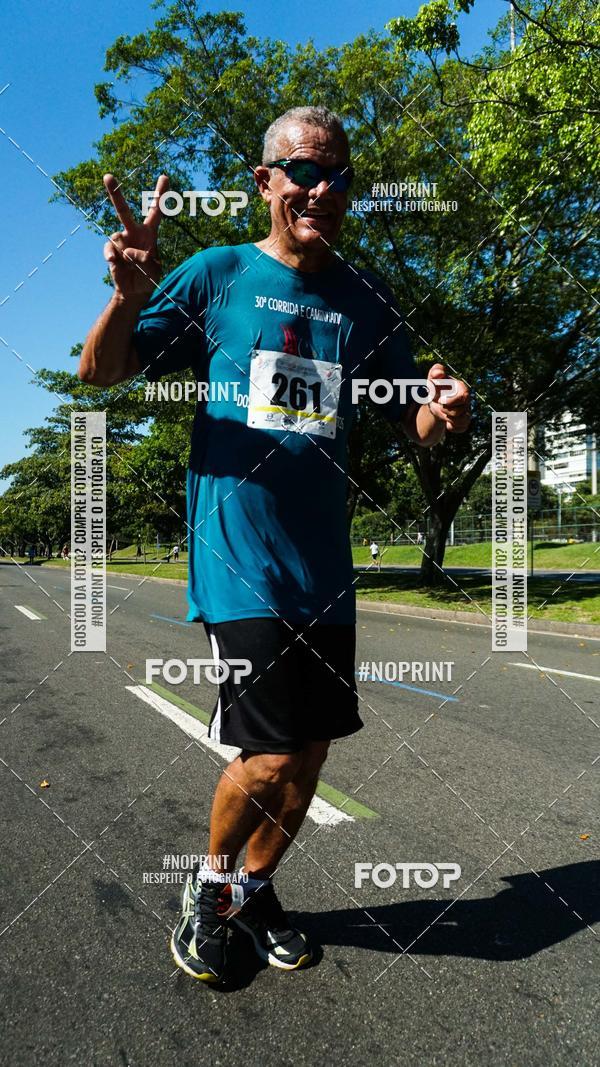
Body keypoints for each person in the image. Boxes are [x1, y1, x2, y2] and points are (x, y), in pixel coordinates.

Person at [79, 105, 471, 984]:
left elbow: (410, 416)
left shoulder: (364, 298)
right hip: (238, 559)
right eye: (304, 171)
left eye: (339, 176)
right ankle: (210, 887)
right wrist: (127, 297)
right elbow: (99, 371)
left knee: (314, 750)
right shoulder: (217, 274)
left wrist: (442, 413)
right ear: (266, 182)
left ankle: (255, 888)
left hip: (323, 568)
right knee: (272, 753)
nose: (322, 189)